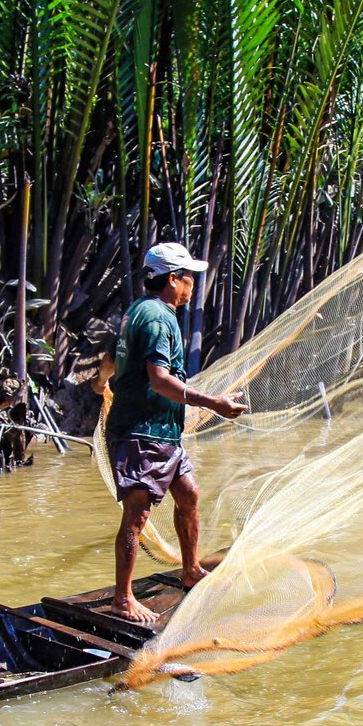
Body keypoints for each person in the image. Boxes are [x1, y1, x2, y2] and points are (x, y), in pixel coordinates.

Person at [106, 241, 247, 625]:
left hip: (162, 431)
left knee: (188, 494)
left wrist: (103, 386)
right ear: (173, 279)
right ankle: (123, 599)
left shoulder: (137, 312)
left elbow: (109, 361)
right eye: (189, 278)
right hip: (143, 433)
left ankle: (190, 569)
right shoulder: (158, 319)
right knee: (137, 515)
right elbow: (160, 379)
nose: (192, 286)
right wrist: (213, 403)